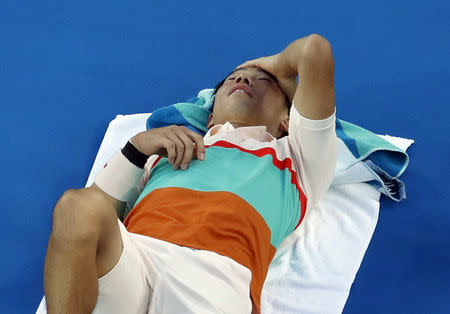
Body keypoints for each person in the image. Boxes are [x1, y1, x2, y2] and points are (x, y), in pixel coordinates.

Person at [43, 33, 338, 314]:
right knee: (76, 205)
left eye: (263, 81)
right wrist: (138, 147)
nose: (243, 79)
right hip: (135, 263)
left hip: (211, 286)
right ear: (209, 115)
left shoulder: (297, 159)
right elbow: (85, 226)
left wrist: (271, 66)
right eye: (232, 80)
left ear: (287, 120)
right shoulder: (168, 150)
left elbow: (314, 50)